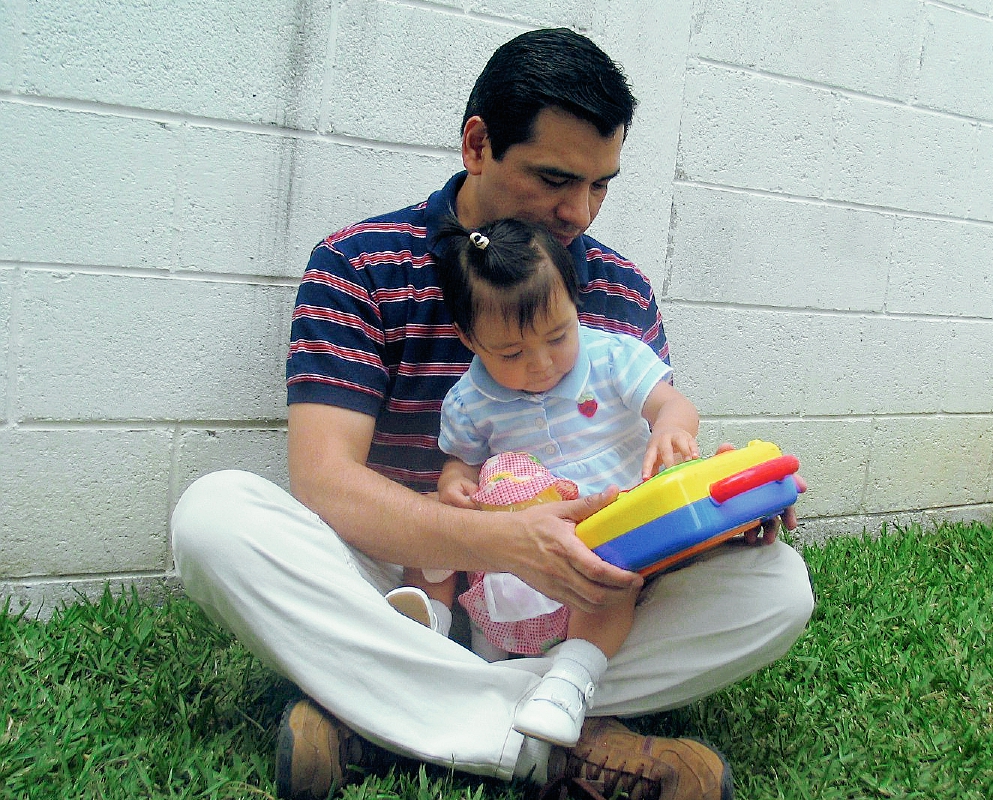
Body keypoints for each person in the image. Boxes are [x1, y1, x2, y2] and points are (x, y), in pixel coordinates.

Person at [170, 26, 815, 800]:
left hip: (584, 595)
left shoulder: (619, 292)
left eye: (601, 183)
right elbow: (326, 483)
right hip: (412, 585)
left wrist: (717, 514)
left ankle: (377, 717)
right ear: (477, 143)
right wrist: (501, 541)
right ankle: (559, 742)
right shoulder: (361, 264)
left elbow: (652, 465)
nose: (578, 210)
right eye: (554, 177)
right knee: (213, 518)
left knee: (777, 587)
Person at [395, 216, 701, 748]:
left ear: (574, 305)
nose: (540, 364)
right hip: (517, 548)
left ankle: (569, 682)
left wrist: (671, 428)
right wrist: (455, 487)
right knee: (434, 531)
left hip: (608, 533)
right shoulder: (471, 400)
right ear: (470, 339)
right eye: (511, 353)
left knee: (608, 570)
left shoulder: (612, 358)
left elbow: (672, 403)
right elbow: (461, 464)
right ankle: (431, 639)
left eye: (558, 336)